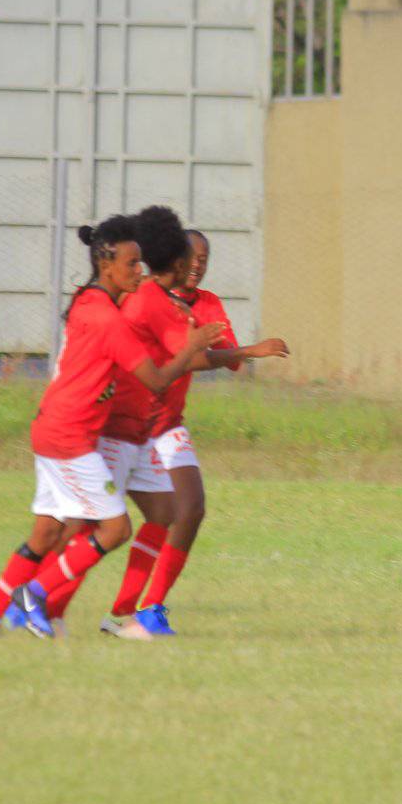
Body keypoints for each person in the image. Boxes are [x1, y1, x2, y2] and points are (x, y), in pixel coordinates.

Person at [0, 215, 224, 639]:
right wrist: (192, 345)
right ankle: (34, 596)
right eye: (131, 264)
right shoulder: (109, 320)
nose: (138, 271)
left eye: (141, 263)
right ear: (107, 267)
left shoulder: (87, 300)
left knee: (49, 530)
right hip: (71, 437)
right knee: (114, 528)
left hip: (55, 426)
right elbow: (158, 380)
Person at [101, 218, 288, 639]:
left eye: (205, 259)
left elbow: (226, 356)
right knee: (88, 524)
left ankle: (148, 608)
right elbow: (202, 357)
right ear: (174, 258)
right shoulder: (145, 298)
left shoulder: (205, 302)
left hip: (168, 424)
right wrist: (245, 349)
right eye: (191, 257)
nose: (197, 266)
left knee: (190, 508)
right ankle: (48, 596)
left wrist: (228, 348)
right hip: (128, 424)